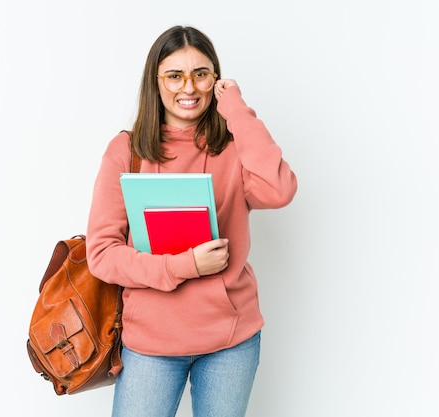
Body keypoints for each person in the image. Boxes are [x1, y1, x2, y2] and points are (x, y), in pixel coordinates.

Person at [86, 25, 297, 417]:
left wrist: (234, 107)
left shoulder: (235, 149)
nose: (190, 86)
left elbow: (279, 189)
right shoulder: (126, 151)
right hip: (150, 344)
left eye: (202, 74)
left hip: (231, 341)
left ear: (215, 79)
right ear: (156, 81)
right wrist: (187, 265)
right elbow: (101, 254)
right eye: (175, 75)